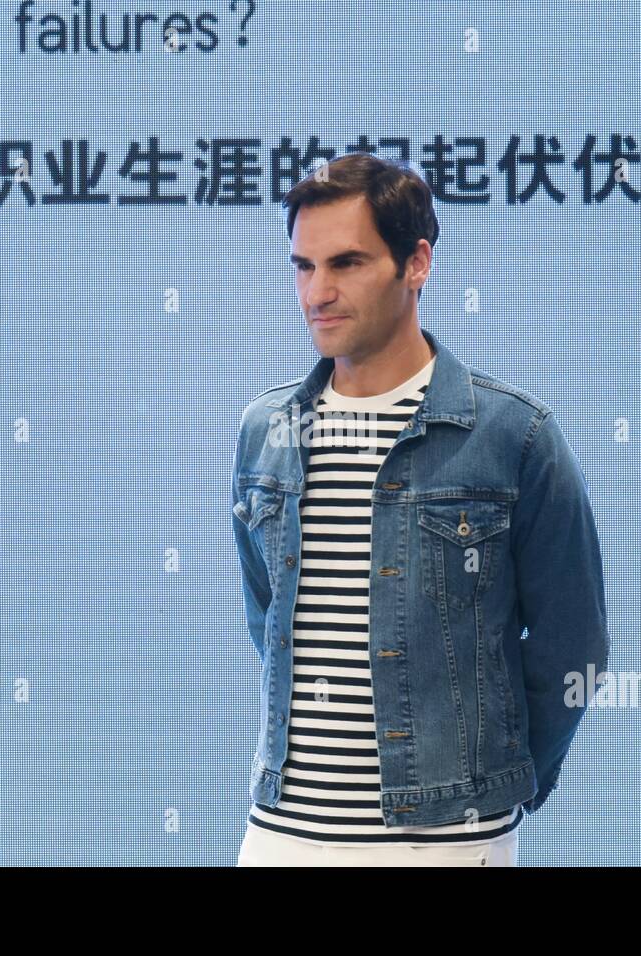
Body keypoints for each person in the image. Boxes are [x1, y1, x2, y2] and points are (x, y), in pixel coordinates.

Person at [231, 152, 610, 866]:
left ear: (418, 263)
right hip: (279, 835)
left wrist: (495, 784)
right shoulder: (266, 431)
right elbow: (269, 620)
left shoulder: (513, 434)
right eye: (303, 267)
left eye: (346, 263)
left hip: (444, 843)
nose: (319, 292)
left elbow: (575, 645)